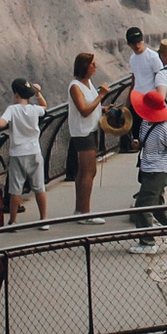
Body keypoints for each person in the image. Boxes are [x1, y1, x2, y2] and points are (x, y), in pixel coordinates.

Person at [129, 88, 167, 251]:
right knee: (157, 207)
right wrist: (137, 144)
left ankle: (147, 242)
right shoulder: (145, 124)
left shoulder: (163, 129)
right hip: (148, 169)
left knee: (143, 206)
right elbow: (143, 142)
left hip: (158, 171)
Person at [0, 78, 49, 229]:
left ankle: (13, 221)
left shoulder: (12, 109)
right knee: (39, 186)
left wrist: (4, 125)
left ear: (16, 94)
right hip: (34, 151)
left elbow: (0, 124)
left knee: (15, 188)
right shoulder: (33, 109)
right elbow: (44, 106)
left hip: (17, 153)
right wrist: (39, 92)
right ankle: (44, 219)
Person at [68, 52, 105, 224]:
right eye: (92, 64)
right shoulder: (75, 86)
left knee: (83, 172)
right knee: (89, 172)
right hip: (83, 132)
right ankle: (85, 212)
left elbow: (91, 104)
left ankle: (79, 209)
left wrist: (102, 108)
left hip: (90, 129)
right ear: (85, 66)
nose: (95, 67)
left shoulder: (88, 83)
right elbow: (83, 110)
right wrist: (101, 96)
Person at [126, 27, 160, 94]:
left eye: (139, 42)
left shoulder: (153, 56)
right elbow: (134, 80)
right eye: (134, 43)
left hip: (151, 96)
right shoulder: (132, 59)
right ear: (129, 44)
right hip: (138, 97)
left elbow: (160, 78)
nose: (137, 46)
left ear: (143, 41)